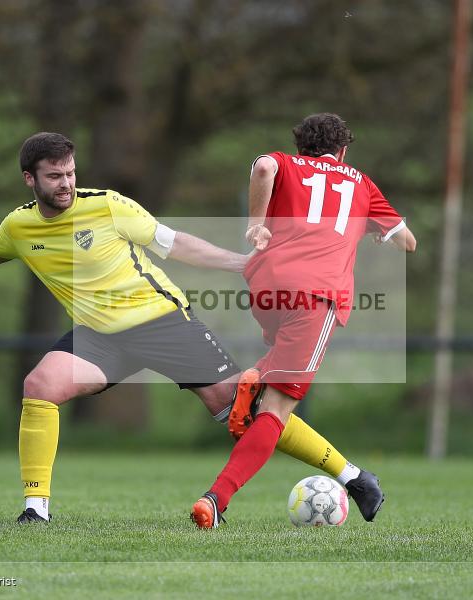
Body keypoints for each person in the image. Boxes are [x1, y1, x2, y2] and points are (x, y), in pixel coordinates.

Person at [0, 132, 384, 523]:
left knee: (245, 412)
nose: (66, 183)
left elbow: (175, 244)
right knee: (39, 386)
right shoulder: (19, 226)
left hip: (163, 322)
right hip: (98, 337)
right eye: (54, 176)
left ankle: (354, 476)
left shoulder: (108, 205)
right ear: (30, 179)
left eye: (70, 172)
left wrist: (241, 263)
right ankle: (35, 509)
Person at [190, 113, 417, 528]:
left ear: (301, 147)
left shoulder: (287, 164)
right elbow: (408, 242)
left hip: (265, 287)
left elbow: (263, 166)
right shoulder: (361, 183)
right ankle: (216, 499)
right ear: (343, 150)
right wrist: (369, 228)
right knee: (275, 412)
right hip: (316, 295)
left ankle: (353, 476)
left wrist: (256, 226)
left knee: (276, 370)